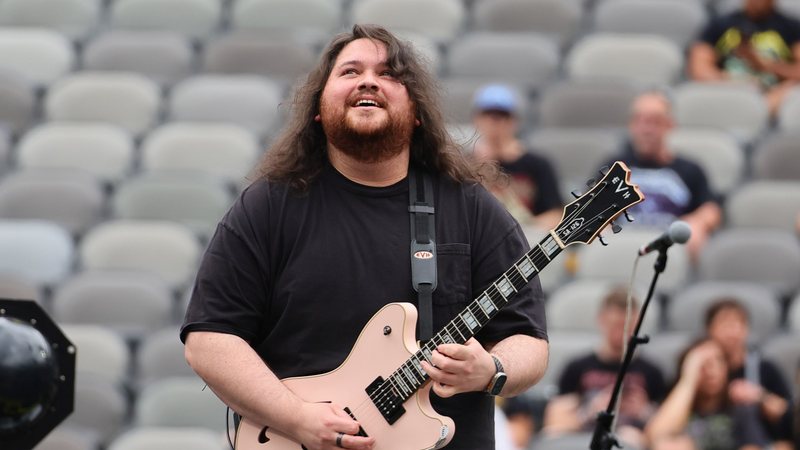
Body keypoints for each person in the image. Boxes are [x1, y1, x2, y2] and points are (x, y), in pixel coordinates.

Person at [180, 24, 549, 450]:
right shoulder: (267, 208)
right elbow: (208, 341)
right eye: (350, 71)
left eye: (389, 74)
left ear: (416, 111)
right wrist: (296, 418)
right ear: (319, 107)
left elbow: (529, 341)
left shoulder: (474, 210)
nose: (369, 80)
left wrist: (493, 368)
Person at [601, 90, 722, 261]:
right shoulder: (614, 167)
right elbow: (590, 208)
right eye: (639, 121)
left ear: (670, 125)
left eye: (655, 122)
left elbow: (711, 211)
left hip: (669, 247)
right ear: (631, 125)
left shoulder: (689, 169)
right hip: (623, 247)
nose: (646, 129)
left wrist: (696, 222)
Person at [542, 287, 666, 448]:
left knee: (631, 437)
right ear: (601, 320)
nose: (621, 332)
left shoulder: (651, 371)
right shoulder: (578, 367)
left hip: (630, 436)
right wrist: (591, 410)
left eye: (627, 326)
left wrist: (643, 411)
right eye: (616, 325)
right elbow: (554, 419)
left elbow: (665, 425)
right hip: (584, 433)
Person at [646, 339, 772, 450]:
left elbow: (753, 447)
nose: (711, 370)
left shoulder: (739, 408)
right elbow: (655, 437)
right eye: (703, 364)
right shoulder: (676, 408)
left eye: (718, 361)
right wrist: (688, 380)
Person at [704, 298, 794, 449]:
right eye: (724, 324)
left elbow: (789, 416)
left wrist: (760, 396)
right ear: (709, 329)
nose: (731, 332)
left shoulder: (765, 368)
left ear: (746, 329)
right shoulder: (701, 367)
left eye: (737, 324)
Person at [470, 84, 563, 230]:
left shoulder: (537, 164)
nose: (495, 122)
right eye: (488, 115)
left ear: (514, 121)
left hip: (525, 241)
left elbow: (555, 215)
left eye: (502, 116)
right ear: (477, 119)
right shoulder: (466, 163)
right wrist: (484, 164)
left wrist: (519, 230)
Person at [688, 0, 800, 116]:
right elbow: (699, 69)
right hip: (728, 91)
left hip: (772, 95)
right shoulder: (719, 24)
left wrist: (766, 65)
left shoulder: (791, 27)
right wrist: (732, 82)